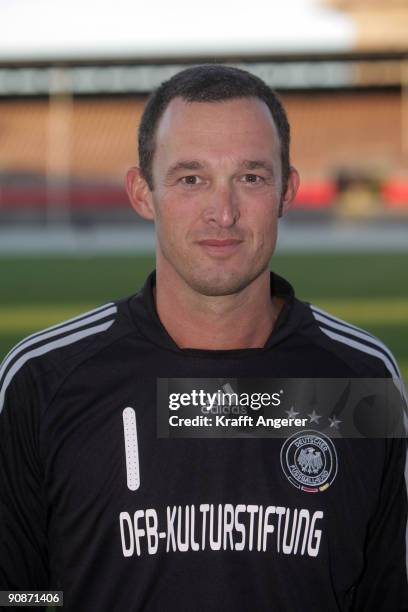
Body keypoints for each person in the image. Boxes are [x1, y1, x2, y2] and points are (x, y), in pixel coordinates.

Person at [0, 64, 407, 612]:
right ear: (143, 193)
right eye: (191, 178)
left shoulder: (360, 380)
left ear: (287, 190)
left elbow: (383, 593)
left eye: (251, 177)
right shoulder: (43, 380)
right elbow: (18, 594)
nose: (224, 213)